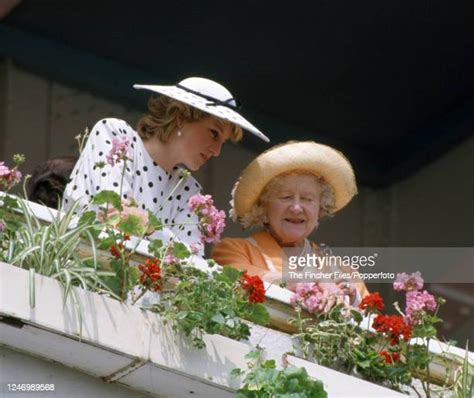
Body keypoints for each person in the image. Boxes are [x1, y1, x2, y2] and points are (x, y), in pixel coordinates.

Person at [63, 77, 269, 253]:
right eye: (213, 133)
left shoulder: (189, 190)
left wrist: (151, 227)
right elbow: (112, 213)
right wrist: (165, 239)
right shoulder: (116, 134)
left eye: (222, 142)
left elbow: (190, 266)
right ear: (181, 118)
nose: (216, 151)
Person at [212, 141, 369, 304]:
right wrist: (310, 280)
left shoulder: (345, 271)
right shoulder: (234, 250)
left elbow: (374, 320)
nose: (296, 208)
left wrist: (352, 297)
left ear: (320, 209)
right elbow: (235, 276)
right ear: (263, 208)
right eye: (285, 197)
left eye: (307, 199)